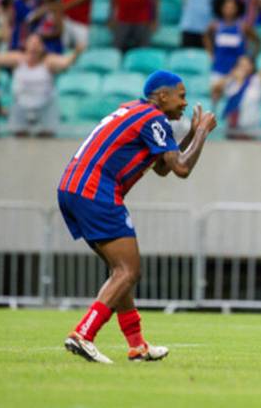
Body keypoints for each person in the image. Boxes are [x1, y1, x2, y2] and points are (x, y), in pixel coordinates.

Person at [59, 71, 217, 363]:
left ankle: (137, 345)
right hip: (96, 189)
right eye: (180, 95)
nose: (185, 103)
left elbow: (163, 166)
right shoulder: (153, 118)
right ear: (161, 96)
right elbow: (181, 169)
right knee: (128, 271)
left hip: (73, 187)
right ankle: (84, 333)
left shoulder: (135, 111)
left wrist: (191, 135)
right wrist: (204, 131)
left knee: (121, 270)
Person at [212, 51, 261, 138]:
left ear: (252, 66)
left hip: (250, 130)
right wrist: (231, 75)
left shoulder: (256, 81)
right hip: (231, 130)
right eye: (240, 65)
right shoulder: (231, 83)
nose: (243, 68)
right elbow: (215, 89)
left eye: (246, 65)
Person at [205, 0, 259, 90]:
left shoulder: (242, 26)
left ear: (237, 9)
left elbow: (257, 41)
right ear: (221, 8)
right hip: (218, 69)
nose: (229, 10)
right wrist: (211, 53)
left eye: (232, 7)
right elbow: (206, 36)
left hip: (237, 71)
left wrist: (250, 57)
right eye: (226, 7)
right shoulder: (215, 25)